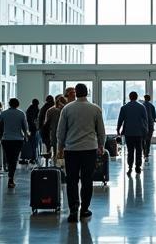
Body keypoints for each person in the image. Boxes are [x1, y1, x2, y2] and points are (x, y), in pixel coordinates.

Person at [56, 84, 107, 224]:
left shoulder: (67, 109)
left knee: (71, 180)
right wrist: (101, 145)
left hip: (71, 149)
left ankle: (73, 209)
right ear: (87, 93)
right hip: (89, 149)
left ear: (76, 93)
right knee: (87, 179)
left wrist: (60, 147)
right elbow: (101, 130)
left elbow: (61, 131)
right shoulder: (95, 109)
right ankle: (84, 209)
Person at [0, 98, 28, 189]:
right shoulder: (21, 114)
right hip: (18, 140)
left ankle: (10, 175)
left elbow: (0, 127)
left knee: (9, 158)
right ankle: (11, 178)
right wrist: (26, 137)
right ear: (18, 104)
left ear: (9, 104)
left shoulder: (3, 114)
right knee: (14, 159)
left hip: (6, 139)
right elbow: (25, 128)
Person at [117, 91, 151, 175]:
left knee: (130, 150)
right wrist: (146, 131)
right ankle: (138, 167)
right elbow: (145, 120)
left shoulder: (124, 107)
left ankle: (130, 167)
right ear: (136, 97)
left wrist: (118, 129)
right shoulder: (141, 107)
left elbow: (120, 120)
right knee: (139, 150)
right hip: (139, 133)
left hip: (128, 133)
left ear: (129, 97)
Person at [24, 98, 41, 164]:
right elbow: (36, 119)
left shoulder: (29, 109)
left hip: (30, 128)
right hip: (34, 129)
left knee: (30, 143)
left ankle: (31, 156)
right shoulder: (37, 109)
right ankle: (34, 157)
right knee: (34, 143)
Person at [142, 94, 156, 158]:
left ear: (144, 98)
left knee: (143, 139)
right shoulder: (152, 106)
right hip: (150, 124)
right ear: (149, 99)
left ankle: (143, 151)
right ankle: (147, 153)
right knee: (148, 139)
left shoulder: (141, 105)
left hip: (143, 125)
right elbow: (154, 116)